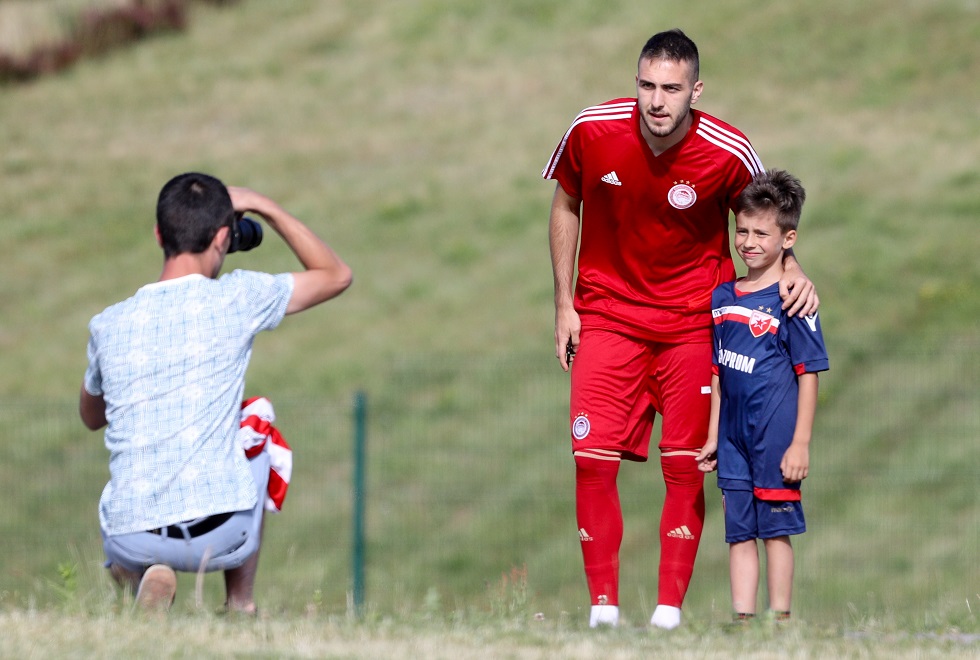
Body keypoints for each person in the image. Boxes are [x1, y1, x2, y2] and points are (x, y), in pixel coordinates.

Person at [542, 29, 818, 629]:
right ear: (634, 85)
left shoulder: (728, 149)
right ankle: (604, 614)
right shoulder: (591, 129)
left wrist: (793, 267)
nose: (657, 101)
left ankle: (668, 616)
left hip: (694, 325)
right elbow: (566, 204)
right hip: (608, 315)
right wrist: (565, 302)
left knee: (686, 465)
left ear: (696, 89)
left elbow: (770, 214)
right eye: (647, 86)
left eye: (671, 88)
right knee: (590, 459)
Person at [79, 172, 352, 613]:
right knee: (257, 422)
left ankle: (138, 577)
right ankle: (240, 603)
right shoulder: (239, 298)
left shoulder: (108, 324)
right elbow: (336, 275)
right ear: (224, 237)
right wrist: (265, 206)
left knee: (129, 476)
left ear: (158, 234)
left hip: (132, 535)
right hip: (222, 537)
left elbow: (92, 417)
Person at [696, 169, 829, 624]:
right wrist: (714, 434)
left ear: (788, 238)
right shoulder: (722, 297)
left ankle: (779, 621)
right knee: (738, 533)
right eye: (742, 230)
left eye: (761, 233)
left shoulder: (794, 299)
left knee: (775, 532)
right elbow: (717, 372)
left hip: (774, 437)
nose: (749, 241)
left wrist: (800, 442)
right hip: (731, 439)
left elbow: (809, 373)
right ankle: (743, 621)